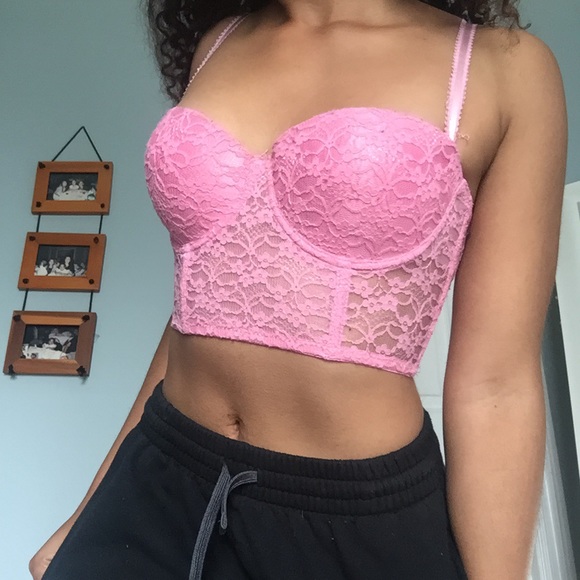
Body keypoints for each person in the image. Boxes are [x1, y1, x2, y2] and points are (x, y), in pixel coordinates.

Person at [30, 1, 568, 579]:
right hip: (158, 477)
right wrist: (87, 514)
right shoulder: (221, 42)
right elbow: (205, 305)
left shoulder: (503, 68)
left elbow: (496, 384)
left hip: (353, 521)